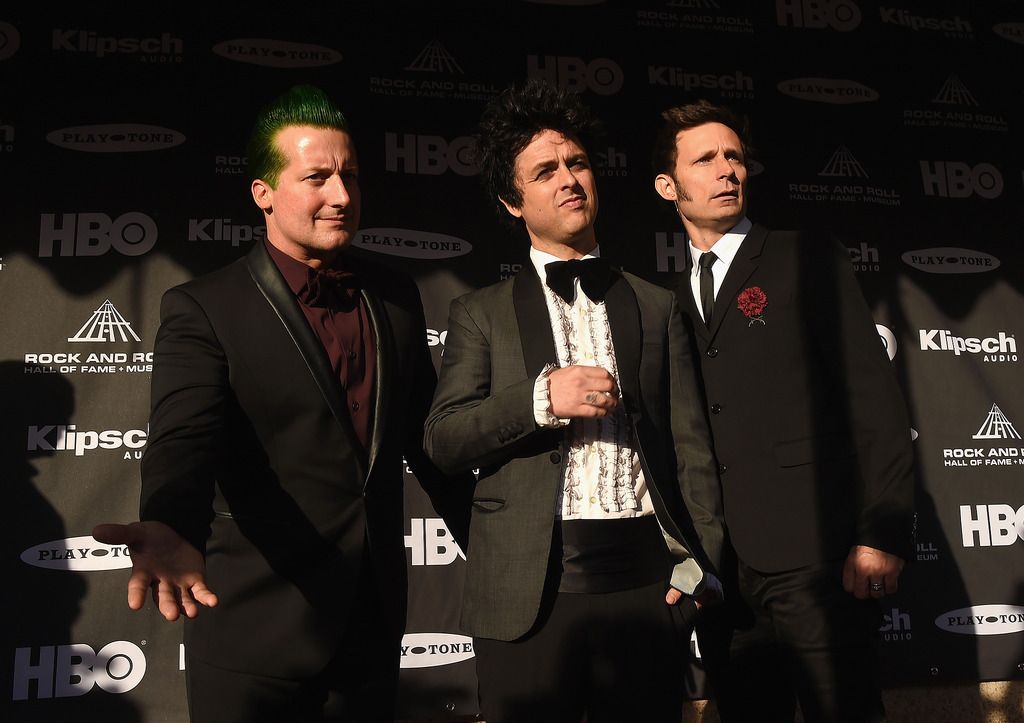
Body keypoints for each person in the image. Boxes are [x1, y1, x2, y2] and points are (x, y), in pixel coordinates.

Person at [93, 84, 464, 721]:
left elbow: (428, 441)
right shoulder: (206, 306)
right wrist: (168, 520)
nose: (342, 195)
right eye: (317, 177)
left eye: (348, 175)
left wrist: (498, 545)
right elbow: (184, 439)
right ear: (263, 193)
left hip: (370, 627)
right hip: (252, 630)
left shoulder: (396, 295)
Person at [423, 79, 723, 722]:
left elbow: (691, 447)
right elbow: (443, 440)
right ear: (512, 200)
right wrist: (539, 400)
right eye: (545, 171)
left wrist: (701, 568)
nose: (568, 179)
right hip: (528, 589)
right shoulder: (480, 313)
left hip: (647, 584)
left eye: (577, 163)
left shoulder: (655, 304)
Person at [652, 99, 915, 721]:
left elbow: (873, 401)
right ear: (668, 185)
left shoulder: (806, 257)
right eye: (706, 159)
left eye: (735, 156)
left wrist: (879, 532)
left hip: (818, 561)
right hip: (722, 579)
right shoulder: (661, 299)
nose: (727, 170)